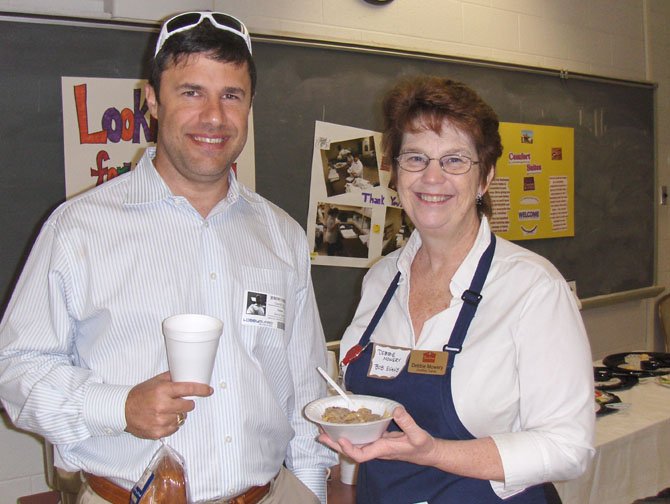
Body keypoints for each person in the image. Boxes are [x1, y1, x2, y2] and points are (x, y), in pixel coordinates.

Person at [0, 10, 336, 504]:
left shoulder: (280, 235)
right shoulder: (78, 229)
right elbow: (16, 370)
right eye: (191, 92)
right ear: (153, 101)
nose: (214, 117)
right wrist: (117, 406)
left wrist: (311, 493)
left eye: (231, 95)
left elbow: (305, 390)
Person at [319, 76, 595, 503]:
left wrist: (436, 453)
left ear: (484, 178)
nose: (432, 178)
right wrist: (345, 484)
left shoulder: (533, 289)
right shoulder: (380, 279)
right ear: (395, 172)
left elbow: (568, 448)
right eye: (415, 158)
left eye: (454, 161)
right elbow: (360, 414)